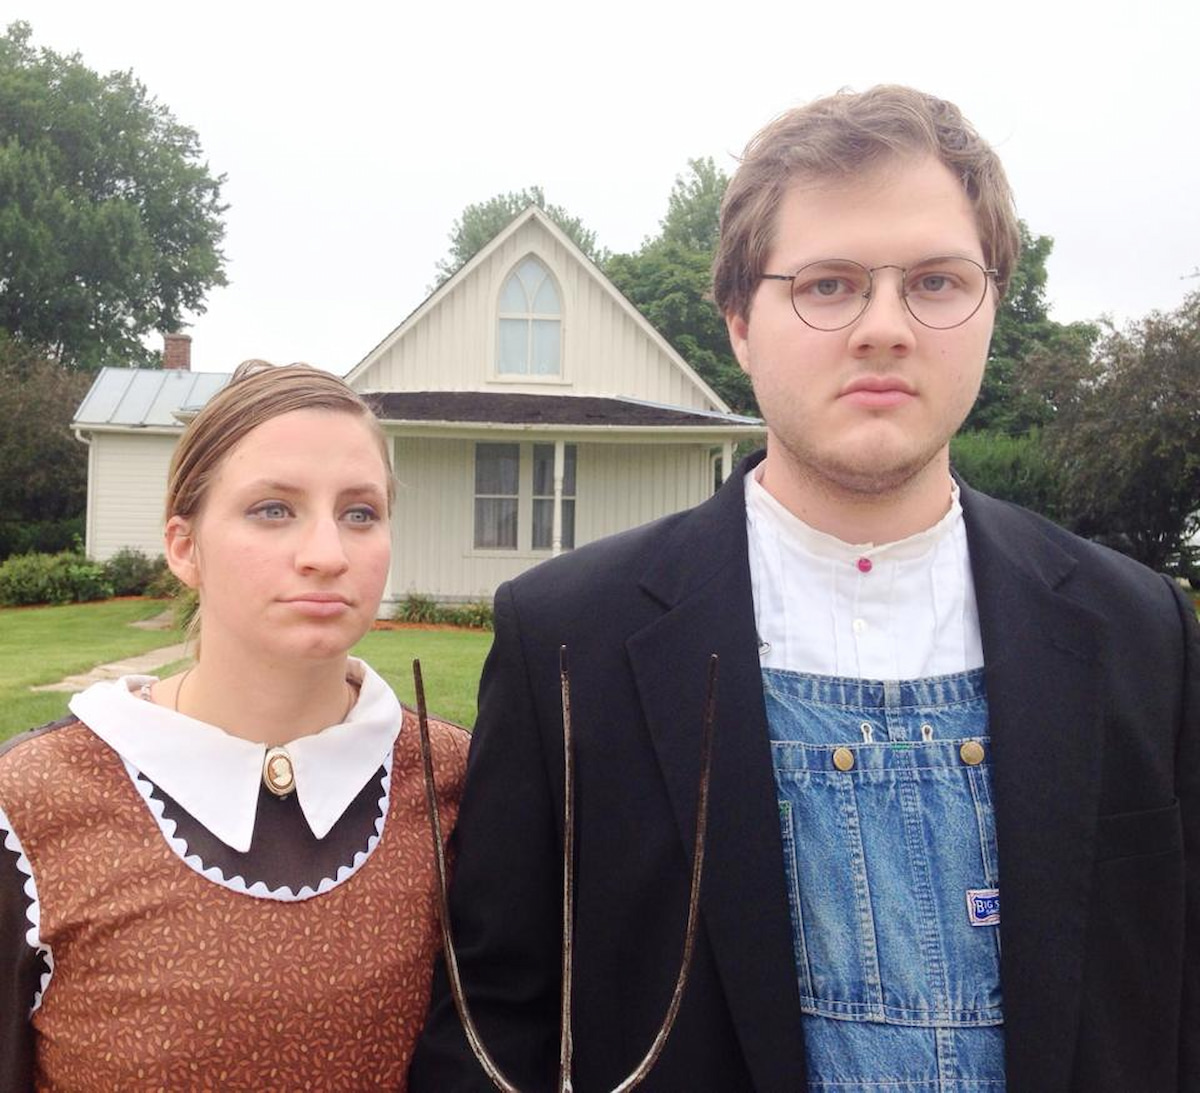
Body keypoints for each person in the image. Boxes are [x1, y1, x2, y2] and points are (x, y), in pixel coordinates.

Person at [410, 86, 1199, 1092]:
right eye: (827, 285)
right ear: (740, 320)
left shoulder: (1138, 633)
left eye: (936, 281)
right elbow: (492, 1029)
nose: (885, 328)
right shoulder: (569, 638)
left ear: (991, 304)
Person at [0, 361, 468, 1090]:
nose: (327, 554)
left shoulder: (455, 779)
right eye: (273, 509)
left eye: (360, 512)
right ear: (184, 547)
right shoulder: (31, 803)